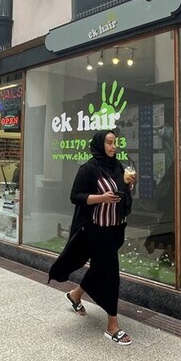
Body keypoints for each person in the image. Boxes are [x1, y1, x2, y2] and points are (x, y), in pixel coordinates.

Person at [48, 130, 137, 345]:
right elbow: (75, 196)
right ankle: (112, 325)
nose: (113, 146)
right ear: (99, 144)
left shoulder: (117, 167)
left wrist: (130, 185)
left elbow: (121, 193)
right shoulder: (89, 168)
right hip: (96, 230)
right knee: (110, 274)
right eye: (109, 142)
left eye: (115, 143)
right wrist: (101, 198)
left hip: (115, 229)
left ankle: (75, 295)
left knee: (100, 269)